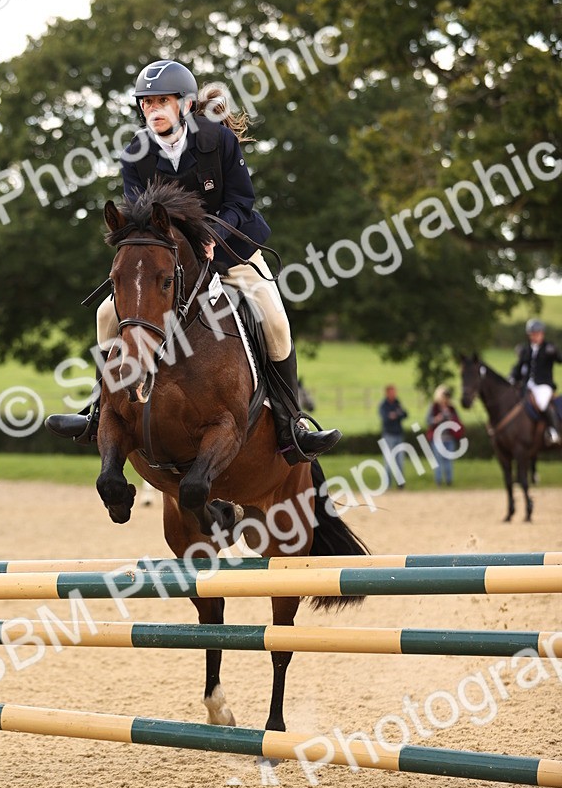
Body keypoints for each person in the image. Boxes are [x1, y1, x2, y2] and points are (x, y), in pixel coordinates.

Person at [46, 58, 342, 462]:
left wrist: (214, 236)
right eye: (147, 103)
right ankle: (99, 410)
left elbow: (241, 200)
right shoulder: (135, 153)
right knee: (105, 315)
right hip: (169, 261)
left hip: (231, 249)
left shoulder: (218, 140)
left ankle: (291, 425)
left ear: (185, 105)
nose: (153, 110)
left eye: (162, 101)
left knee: (275, 320)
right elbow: (140, 217)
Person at [509, 319, 562, 446]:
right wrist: (511, 377)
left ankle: (554, 431)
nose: (535, 337)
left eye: (537, 334)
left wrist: (555, 353)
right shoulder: (526, 349)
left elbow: (560, 360)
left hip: (543, 385)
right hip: (527, 384)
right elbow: (519, 367)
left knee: (542, 403)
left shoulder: (548, 348)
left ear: (542, 334)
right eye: (532, 334)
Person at [426, 386, 465, 486]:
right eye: (443, 396)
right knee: (438, 461)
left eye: (447, 396)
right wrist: (437, 419)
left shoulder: (451, 408)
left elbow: (458, 422)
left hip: (449, 438)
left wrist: (451, 418)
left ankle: (449, 481)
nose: (445, 399)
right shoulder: (434, 407)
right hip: (437, 439)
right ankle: (438, 481)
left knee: (449, 461)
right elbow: (428, 421)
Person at [379, 384, 408, 488]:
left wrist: (395, 415)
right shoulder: (384, 405)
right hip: (388, 436)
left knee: (400, 461)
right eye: (392, 392)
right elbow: (386, 418)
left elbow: (405, 414)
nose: (394, 394)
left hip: (398, 435)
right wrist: (396, 415)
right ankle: (387, 484)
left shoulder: (397, 403)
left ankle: (400, 484)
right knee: (388, 461)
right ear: (387, 393)